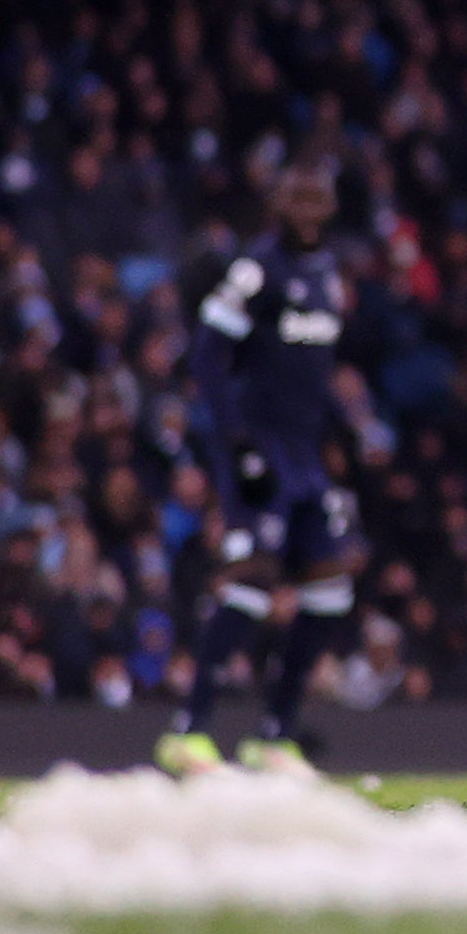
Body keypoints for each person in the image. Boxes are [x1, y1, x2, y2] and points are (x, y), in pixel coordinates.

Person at [159, 158, 361, 774]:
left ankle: (275, 736)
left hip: (305, 457)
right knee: (251, 583)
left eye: (316, 198)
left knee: (328, 595)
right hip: (260, 451)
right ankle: (187, 733)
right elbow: (207, 359)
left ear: (329, 206)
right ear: (278, 204)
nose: (307, 210)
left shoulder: (328, 274)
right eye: (296, 198)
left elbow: (310, 370)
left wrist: (343, 428)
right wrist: (239, 446)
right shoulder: (256, 270)